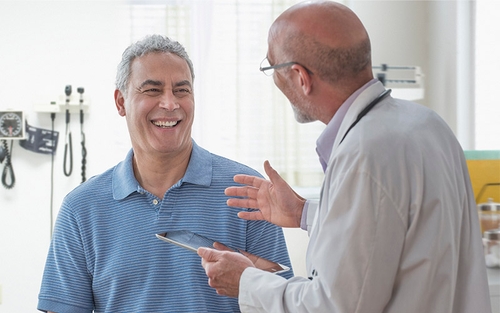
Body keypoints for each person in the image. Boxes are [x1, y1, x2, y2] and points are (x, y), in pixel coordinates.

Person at [198, 1, 492, 312]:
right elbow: (393, 233)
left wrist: (246, 281)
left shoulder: (364, 155)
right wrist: (303, 213)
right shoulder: (427, 125)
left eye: (272, 68)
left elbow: (334, 306)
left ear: (300, 77)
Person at [37, 34, 293, 313]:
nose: (170, 103)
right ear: (121, 102)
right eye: (152, 90)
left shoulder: (247, 192)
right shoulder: (81, 209)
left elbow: (280, 303)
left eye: (182, 90)